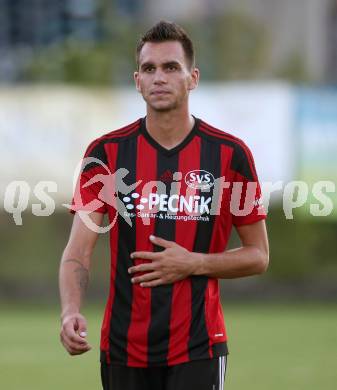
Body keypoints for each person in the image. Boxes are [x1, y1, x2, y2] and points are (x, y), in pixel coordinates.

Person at [59, 20, 269, 390]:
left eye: (171, 67)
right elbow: (77, 251)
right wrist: (70, 311)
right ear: (137, 80)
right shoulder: (106, 153)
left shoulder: (229, 155)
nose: (159, 77)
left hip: (199, 348)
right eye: (149, 68)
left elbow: (258, 256)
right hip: (124, 348)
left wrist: (195, 263)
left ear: (193, 78)